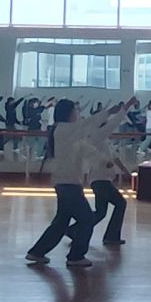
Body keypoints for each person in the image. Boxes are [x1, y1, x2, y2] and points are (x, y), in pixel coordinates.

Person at [26, 99, 129, 267]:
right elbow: (89, 124)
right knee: (87, 219)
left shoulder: (70, 135)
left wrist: (104, 162)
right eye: (75, 110)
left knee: (60, 223)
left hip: (67, 183)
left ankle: (37, 252)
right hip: (68, 184)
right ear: (68, 113)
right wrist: (111, 112)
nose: (77, 113)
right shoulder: (64, 130)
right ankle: (75, 256)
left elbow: (88, 150)